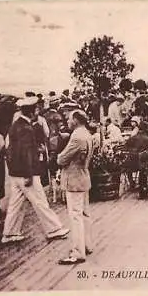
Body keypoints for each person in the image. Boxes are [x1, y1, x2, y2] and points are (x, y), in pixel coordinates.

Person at [1, 97, 70, 244]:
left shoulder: (15, 126)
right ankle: (54, 229)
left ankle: (10, 233)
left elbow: (10, 150)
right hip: (27, 172)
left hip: (15, 172)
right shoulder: (26, 129)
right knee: (40, 201)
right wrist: (28, 174)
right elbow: (25, 152)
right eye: (36, 109)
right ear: (32, 111)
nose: (38, 111)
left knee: (15, 204)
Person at [57, 110, 94, 265]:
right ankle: (86, 245)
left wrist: (59, 157)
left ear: (77, 120)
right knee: (84, 214)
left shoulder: (77, 137)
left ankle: (77, 253)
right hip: (83, 177)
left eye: (70, 119)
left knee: (75, 216)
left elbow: (62, 159)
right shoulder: (86, 134)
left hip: (74, 180)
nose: (67, 122)